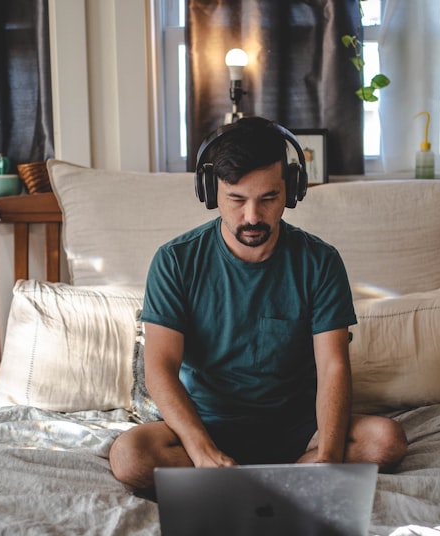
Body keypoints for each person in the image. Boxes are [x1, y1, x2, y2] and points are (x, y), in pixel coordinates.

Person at [109, 117, 407, 491]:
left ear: (292, 190)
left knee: (386, 441)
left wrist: (329, 460)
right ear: (211, 191)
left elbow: (332, 366)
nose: (252, 217)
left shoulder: (320, 261)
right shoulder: (175, 261)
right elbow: (160, 369)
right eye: (236, 199)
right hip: (207, 424)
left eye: (268, 199)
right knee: (129, 457)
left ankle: (285, 475)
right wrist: (203, 453)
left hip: (298, 426)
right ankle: (261, 477)